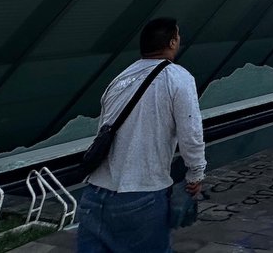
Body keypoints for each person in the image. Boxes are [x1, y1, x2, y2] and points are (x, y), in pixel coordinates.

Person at [77, 17, 206, 253]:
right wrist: (195, 175)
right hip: (141, 196)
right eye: (178, 36)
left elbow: (103, 133)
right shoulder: (178, 78)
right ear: (172, 42)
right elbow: (191, 134)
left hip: (94, 196)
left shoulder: (119, 79)